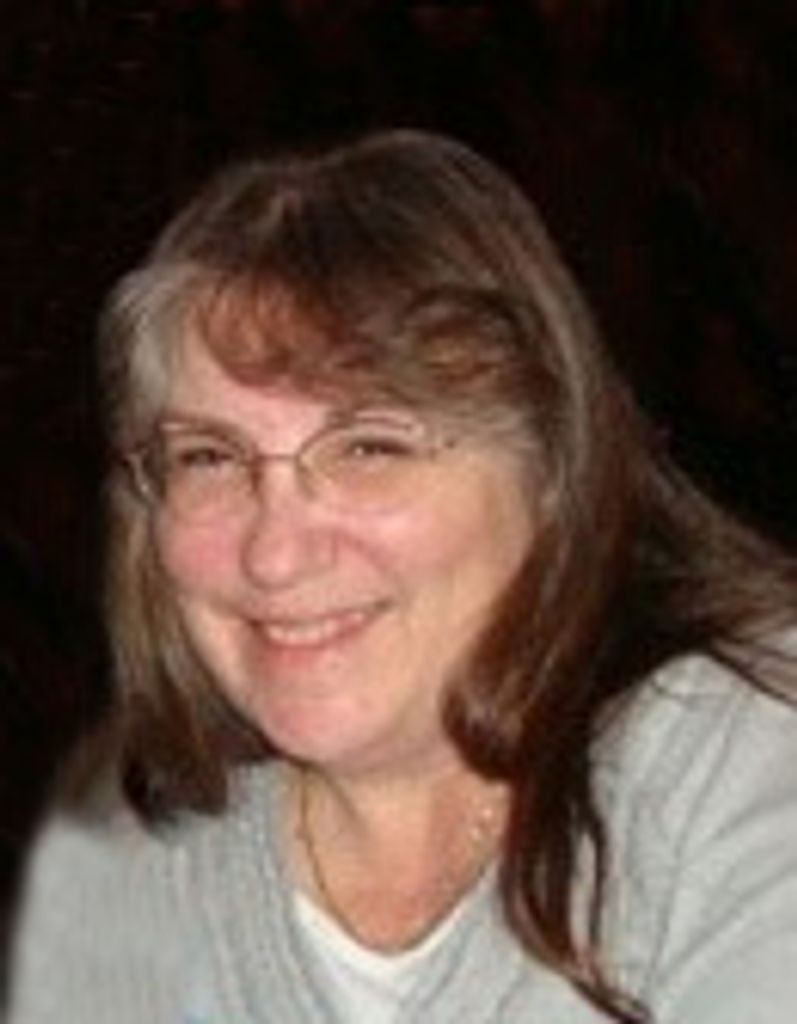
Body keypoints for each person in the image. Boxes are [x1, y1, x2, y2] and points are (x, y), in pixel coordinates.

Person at [7, 129, 797, 1024]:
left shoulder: (746, 752)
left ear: (548, 464)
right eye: (210, 457)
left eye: (368, 447)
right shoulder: (130, 886)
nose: (275, 554)